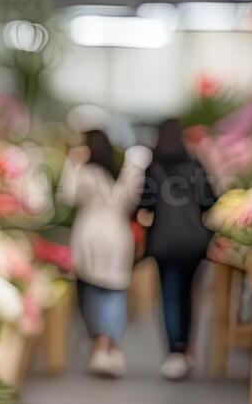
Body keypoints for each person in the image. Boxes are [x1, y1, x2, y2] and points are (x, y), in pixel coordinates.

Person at [60, 129, 151, 378]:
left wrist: (73, 163)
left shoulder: (87, 172)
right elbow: (134, 201)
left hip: (90, 233)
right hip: (118, 234)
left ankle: (99, 345)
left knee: (93, 289)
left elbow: (68, 196)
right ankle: (111, 347)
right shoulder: (121, 176)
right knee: (115, 291)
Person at [138, 118, 217, 380]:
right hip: (195, 241)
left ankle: (175, 351)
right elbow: (210, 201)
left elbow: (145, 204)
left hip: (164, 241)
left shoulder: (154, 168)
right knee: (188, 295)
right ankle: (186, 350)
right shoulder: (194, 165)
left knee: (170, 294)